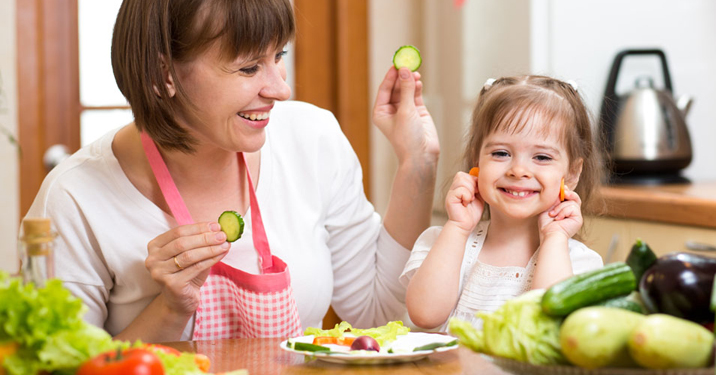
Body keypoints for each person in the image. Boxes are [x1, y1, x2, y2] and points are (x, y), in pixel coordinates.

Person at [24, 0, 439, 342]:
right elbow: (62, 368)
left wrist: (418, 164)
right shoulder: (74, 197)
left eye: (279, 57)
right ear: (164, 73)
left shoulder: (313, 139)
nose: (280, 89)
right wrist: (170, 306)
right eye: (248, 68)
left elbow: (379, 312)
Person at [400, 76, 604, 331]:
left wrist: (554, 238)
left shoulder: (577, 263)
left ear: (572, 174)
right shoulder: (445, 242)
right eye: (501, 153)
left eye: (541, 157)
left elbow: (549, 328)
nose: (518, 170)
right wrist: (458, 228)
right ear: (478, 159)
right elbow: (424, 315)